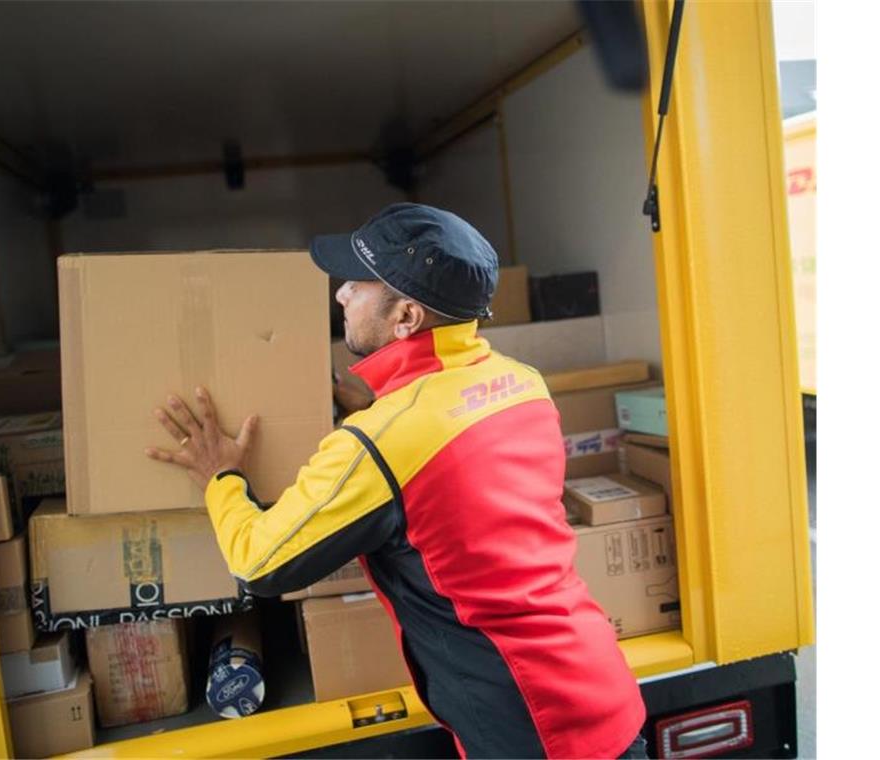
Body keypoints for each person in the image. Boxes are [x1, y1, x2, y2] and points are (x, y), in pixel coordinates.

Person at [145, 203, 647, 759]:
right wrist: (383, 401)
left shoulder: (380, 443)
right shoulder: (520, 383)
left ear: (405, 318)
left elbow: (260, 562)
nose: (340, 295)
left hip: (532, 725)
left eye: (357, 285)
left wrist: (222, 476)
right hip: (599, 685)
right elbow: (453, 456)